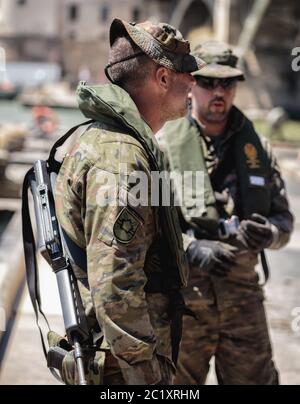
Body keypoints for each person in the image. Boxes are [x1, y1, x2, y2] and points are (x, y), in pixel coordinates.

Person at [54, 19, 206, 385]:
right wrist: (146, 376)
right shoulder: (121, 158)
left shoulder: (105, 139)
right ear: (163, 78)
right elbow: (115, 286)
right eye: (188, 72)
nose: (194, 83)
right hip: (122, 368)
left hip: (114, 356)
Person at [160, 41, 294, 385]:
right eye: (208, 83)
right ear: (191, 84)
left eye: (228, 83)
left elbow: (284, 222)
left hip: (243, 302)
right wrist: (192, 248)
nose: (218, 92)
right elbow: (148, 229)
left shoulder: (258, 149)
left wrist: (271, 234)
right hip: (184, 303)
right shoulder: (162, 147)